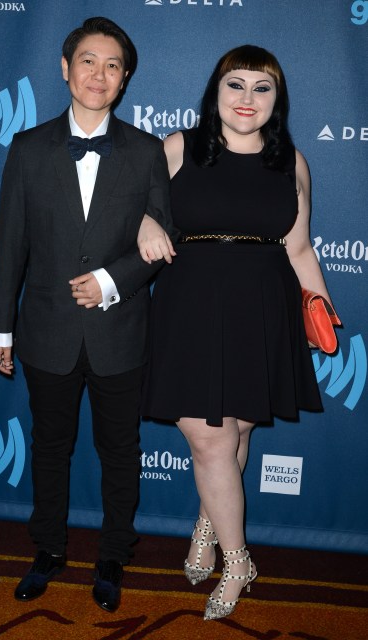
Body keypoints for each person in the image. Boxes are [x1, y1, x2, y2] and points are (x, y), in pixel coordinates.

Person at [137, 44, 335, 621]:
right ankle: (238, 558)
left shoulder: (291, 163)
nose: (247, 98)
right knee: (210, 439)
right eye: (236, 84)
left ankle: (207, 524)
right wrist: (147, 218)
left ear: (278, 100)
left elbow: (298, 247)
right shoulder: (178, 147)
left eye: (261, 87)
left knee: (235, 432)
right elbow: (132, 211)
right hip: (191, 305)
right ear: (215, 92)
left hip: (264, 306)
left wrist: (319, 306)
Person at [0, 16, 172, 612]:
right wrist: (0, 327)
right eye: (88, 61)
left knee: (121, 450)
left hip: (121, 332)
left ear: (124, 82)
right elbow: (9, 244)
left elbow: (162, 240)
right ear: (66, 69)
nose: (100, 74)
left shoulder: (146, 153)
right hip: (46, 333)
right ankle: (47, 549)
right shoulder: (26, 147)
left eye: (113, 65)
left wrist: (110, 282)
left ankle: (114, 555)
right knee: (49, 448)